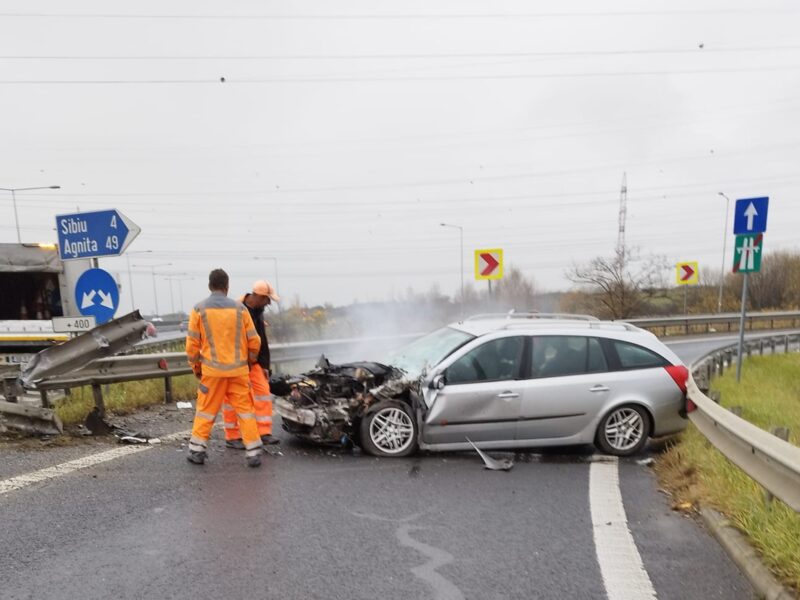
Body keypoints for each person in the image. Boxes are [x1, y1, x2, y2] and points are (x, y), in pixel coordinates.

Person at [185, 269, 264, 468]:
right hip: (238, 372)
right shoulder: (240, 310)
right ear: (227, 287)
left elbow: (192, 346)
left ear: (210, 286)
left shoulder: (199, 310)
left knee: (205, 411)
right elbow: (254, 341)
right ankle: (253, 452)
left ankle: (197, 451)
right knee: (245, 411)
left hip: (212, 372)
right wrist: (250, 361)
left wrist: (196, 367)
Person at [223, 280, 280, 449]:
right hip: (236, 363)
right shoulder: (236, 309)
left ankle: (264, 433)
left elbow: (262, 341)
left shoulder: (258, 311)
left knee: (263, 393)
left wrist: (264, 367)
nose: (269, 303)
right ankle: (232, 436)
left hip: (253, 362)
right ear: (259, 297)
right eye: (267, 299)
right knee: (233, 399)